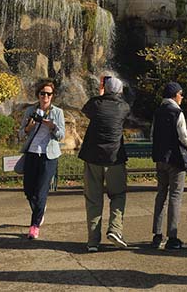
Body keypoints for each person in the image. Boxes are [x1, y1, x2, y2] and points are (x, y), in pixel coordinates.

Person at [78, 76, 130, 251]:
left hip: (92, 157)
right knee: (118, 194)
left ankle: (93, 241)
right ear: (120, 91)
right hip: (114, 158)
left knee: (93, 199)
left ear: (105, 89)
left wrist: (100, 95)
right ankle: (115, 229)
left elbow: (86, 109)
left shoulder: (95, 104)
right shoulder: (124, 107)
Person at [19, 79, 65, 240]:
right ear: (38, 95)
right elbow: (21, 133)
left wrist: (51, 126)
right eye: (42, 93)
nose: (45, 96)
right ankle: (40, 209)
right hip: (32, 153)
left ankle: (34, 226)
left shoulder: (57, 112)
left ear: (52, 96)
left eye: (49, 94)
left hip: (49, 155)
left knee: (41, 191)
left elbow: (61, 135)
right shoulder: (30, 110)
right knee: (28, 190)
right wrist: (29, 127)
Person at [150, 82, 187, 250]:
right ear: (175, 95)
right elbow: (183, 135)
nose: (182, 97)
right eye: (181, 94)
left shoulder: (158, 112)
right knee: (175, 196)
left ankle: (157, 234)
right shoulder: (177, 112)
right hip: (175, 159)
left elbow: (153, 134)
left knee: (161, 195)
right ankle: (172, 237)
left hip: (160, 158)